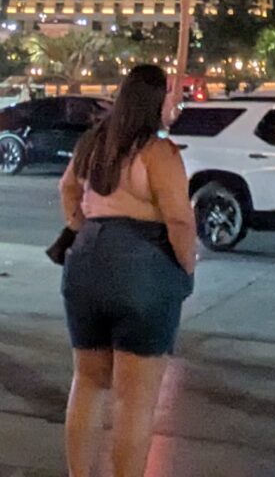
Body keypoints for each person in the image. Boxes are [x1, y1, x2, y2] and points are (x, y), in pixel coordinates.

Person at [56, 64, 193, 477]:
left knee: (87, 382)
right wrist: (186, 270)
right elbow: (179, 220)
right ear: (157, 101)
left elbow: (67, 187)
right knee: (135, 400)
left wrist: (80, 224)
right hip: (141, 268)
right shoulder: (158, 152)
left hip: (85, 263)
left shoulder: (93, 143)